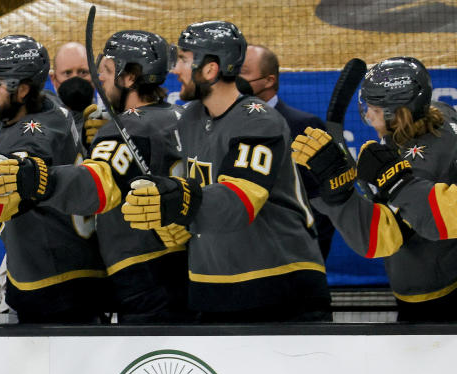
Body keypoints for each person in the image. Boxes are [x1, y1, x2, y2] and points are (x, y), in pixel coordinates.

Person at [122, 21, 331, 322]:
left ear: (209, 70)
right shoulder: (190, 118)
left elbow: (238, 203)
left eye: (183, 59)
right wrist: (175, 220)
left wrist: (177, 201)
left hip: (281, 288)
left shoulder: (260, 121)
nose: (176, 70)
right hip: (214, 290)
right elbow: (195, 197)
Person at [0, 30, 191, 323]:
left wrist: (38, 179)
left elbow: (93, 187)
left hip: (144, 275)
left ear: (130, 77)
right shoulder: (183, 116)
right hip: (188, 267)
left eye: (109, 70)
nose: (100, 78)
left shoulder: (123, 128)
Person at [292, 57, 457, 321]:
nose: (367, 114)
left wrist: (340, 196)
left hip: (432, 292)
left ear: (399, 114)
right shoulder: (442, 113)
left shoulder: (412, 167)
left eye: (374, 109)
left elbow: (376, 240)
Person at [0, 34, 106, 323]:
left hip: (50, 280)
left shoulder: (29, 137)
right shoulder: (49, 107)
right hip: (74, 265)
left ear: (22, 90)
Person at [239, 44, 334, 260]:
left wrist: (311, 255)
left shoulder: (303, 125)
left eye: (243, 72)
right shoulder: (220, 125)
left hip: (293, 257)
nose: (234, 79)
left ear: (269, 80)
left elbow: (321, 199)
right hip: (239, 258)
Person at [48, 42, 95, 129]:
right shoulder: (43, 121)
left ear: (94, 76)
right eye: (67, 73)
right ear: (53, 79)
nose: (75, 79)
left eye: (83, 72)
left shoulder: (108, 117)